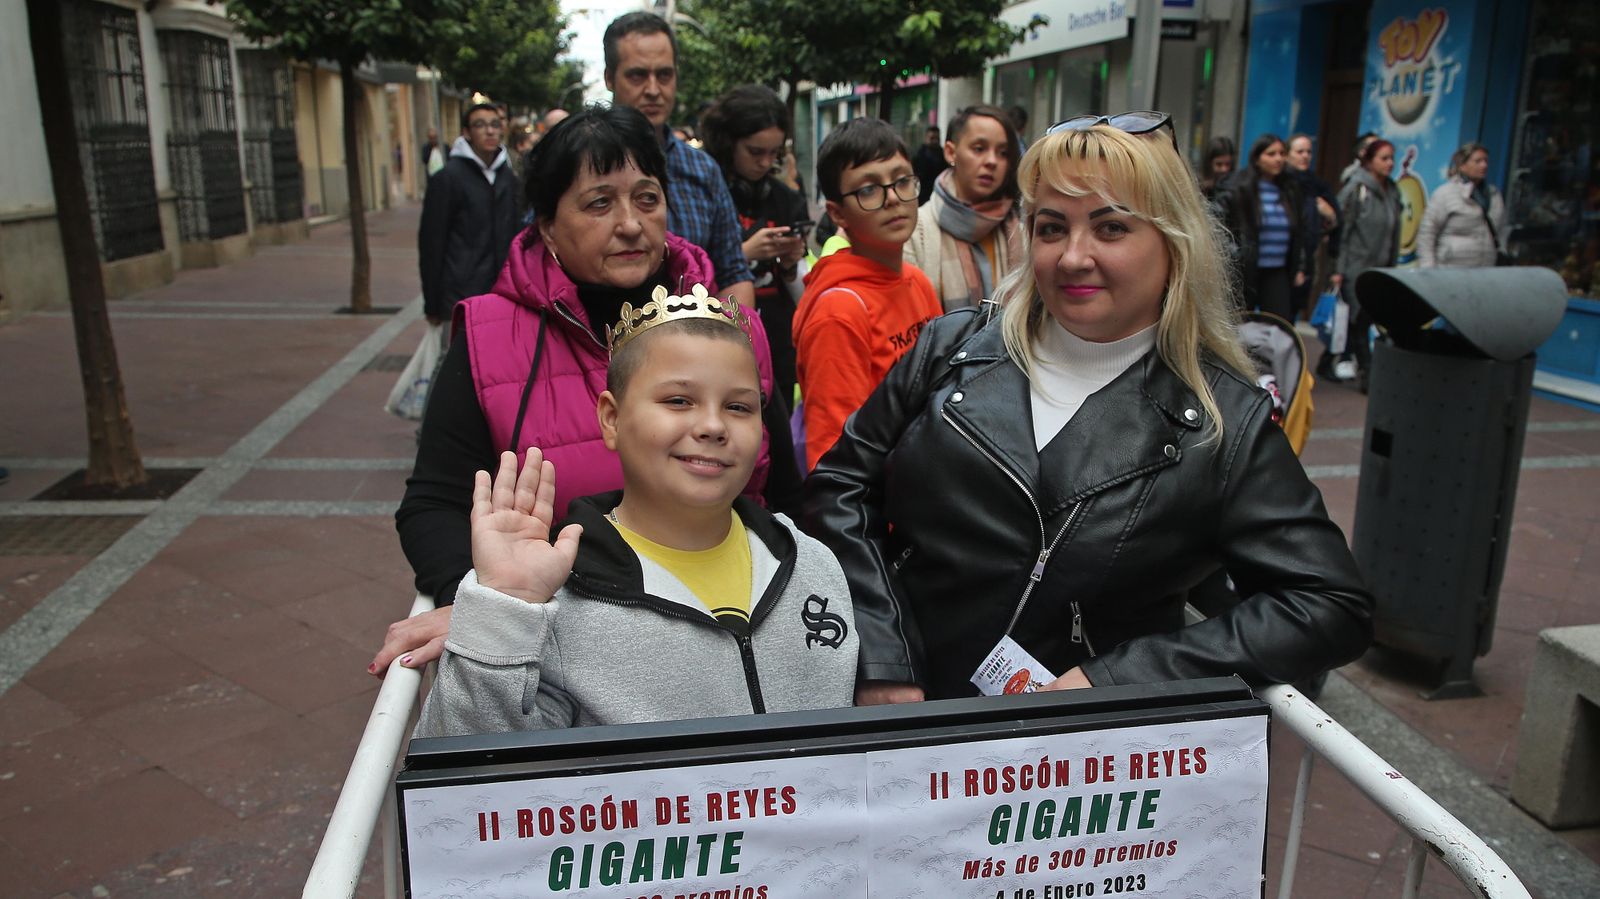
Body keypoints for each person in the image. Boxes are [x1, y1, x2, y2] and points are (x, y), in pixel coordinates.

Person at [802, 113, 1373, 704]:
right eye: (1052, 229)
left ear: (1173, 240)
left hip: (1071, 770)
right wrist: (883, 652)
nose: (1074, 257)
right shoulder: (953, 348)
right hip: (905, 724)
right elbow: (839, 485)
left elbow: (1329, 603)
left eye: (1111, 229)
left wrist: (1119, 678)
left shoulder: (1224, 419)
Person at [376, 105, 798, 678]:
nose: (630, 223)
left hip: (724, 636)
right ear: (547, 224)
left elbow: (784, 493)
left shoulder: (731, 328)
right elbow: (434, 505)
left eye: (646, 198)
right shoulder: (486, 335)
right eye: (599, 203)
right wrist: (479, 603)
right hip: (561, 655)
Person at [415, 299, 858, 737]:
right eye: (679, 400)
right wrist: (501, 612)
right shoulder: (550, 599)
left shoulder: (812, 563)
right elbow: (471, 777)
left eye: (739, 407)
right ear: (611, 418)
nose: (713, 426)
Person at [792, 118, 941, 472]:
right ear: (837, 213)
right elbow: (834, 455)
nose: (893, 199)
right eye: (869, 190)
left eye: (902, 181)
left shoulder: (917, 282)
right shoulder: (839, 313)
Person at [603, 11, 755, 307]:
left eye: (664, 75)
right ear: (610, 78)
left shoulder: (702, 169)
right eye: (637, 75)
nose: (653, 90)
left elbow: (733, 272)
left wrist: (738, 345)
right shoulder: (577, 166)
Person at [701, 85, 811, 406]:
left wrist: (790, 264)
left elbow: (799, 288)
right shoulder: (709, 195)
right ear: (729, 144)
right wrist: (745, 254)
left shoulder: (786, 199)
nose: (765, 162)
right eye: (755, 151)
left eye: (774, 153)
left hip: (777, 343)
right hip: (718, 343)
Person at [905, 105, 1024, 311]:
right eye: (979, 149)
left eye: (1003, 153)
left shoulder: (1020, 231)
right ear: (951, 152)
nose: (992, 161)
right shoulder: (917, 231)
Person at [418, 102, 521, 330]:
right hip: (461, 296)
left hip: (504, 295)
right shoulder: (448, 178)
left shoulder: (508, 178)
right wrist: (432, 303)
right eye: (480, 125)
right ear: (466, 132)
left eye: (495, 124)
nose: (490, 131)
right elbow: (432, 244)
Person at [1215, 134, 1308, 320]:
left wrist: (1300, 266)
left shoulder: (1290, 189)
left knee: (1280, 325)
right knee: (1239, 323)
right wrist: (1234, 253)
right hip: (1245, 269)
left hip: (1277, 270)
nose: (1278, 159)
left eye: (1282, 153)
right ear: (1257, 158)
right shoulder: (1238, 187)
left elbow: (1299, 232)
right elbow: (1217, 222)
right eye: (1271, 154)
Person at [1334, 138, 1401, 391]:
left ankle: (1339, 361)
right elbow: (1343, 230)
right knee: (1360, 320)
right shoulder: (1356, 188)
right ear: (1370, 161)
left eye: (1392, 158)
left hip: (1381, 269)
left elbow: (1394, 233)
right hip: (1356, 267)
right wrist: (1338, 270)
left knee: (1366, 320)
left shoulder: (1393, 191)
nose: (1390, 163)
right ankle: (1369, 375)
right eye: (1384, 158)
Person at [1417, 142, 1506, 269]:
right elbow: (1427, 233)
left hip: (1485, 269)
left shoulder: (1494, 195)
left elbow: (1501, 231)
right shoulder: (1446, 193)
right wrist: (1428, 269)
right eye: (1478, 161)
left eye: (1486, 161)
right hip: (1450, 269)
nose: (1484, 165)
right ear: (1462, 166)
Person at [1285, 133, 1340, 323]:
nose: (1305, 156)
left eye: (1309, 152)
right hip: (1283, 263)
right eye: (1300, 151)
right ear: (1288, 154)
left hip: (1307, 260)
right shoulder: (1281, 184)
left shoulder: (1317, 187)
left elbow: (1329, 227)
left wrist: (1329, 216)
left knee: (1292, 317)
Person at [913, 125, 948, 204]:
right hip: (922, 196)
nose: (935, 141)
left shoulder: (944, 155)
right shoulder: (918, 156)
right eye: (932, 138)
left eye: (937, 139)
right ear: (926, 138)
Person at [1198, 135, 1235, 200]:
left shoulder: (1235, 188)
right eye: (1219, 164)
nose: (1224, 169)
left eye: (1228, 164)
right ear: (1209, 163)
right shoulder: (1198, 188)